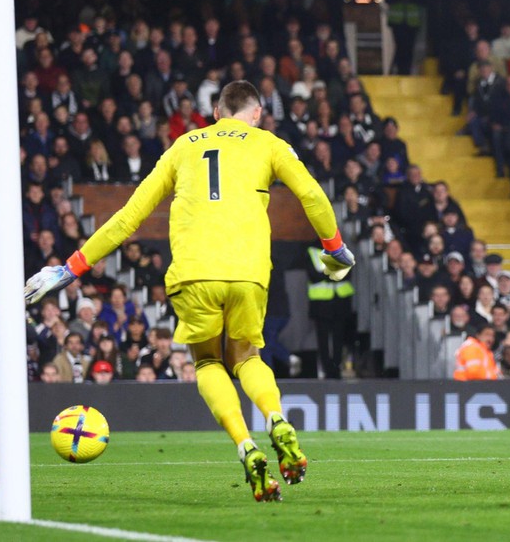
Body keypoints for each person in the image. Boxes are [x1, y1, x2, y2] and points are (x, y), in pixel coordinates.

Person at [24, 80, 355, 502]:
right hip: (249, 272)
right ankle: (276, 418)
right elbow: (310, 193)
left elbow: (129, 216)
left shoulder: (182, 146)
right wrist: (335, 248)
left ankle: (246, 446)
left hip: (193, 273)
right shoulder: (269, 143)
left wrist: (70, 268)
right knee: (247, 356)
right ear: (257, 113)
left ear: (216, 113)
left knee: (209, 362)